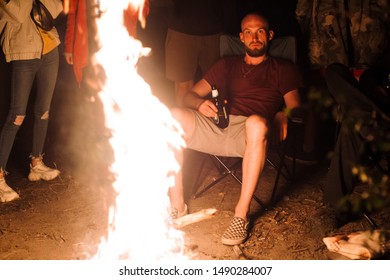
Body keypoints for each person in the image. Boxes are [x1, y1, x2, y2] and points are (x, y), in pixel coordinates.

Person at [168, 13, 303, 245]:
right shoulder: (225, 65)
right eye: (248, 32)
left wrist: (283, 114)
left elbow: (297, 107)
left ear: (269, 35)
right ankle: (177, 206)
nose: (254, 37)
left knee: (256, 123)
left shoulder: (283, 69)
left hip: (251, 133)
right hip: (217, 124)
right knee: (173, 116)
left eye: (260, 31)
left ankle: (241, 215)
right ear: (241, 37)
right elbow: (189, 95)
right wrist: (200, 104)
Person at [0, 0, 63, 203]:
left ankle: (36, 164)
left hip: (50, 49)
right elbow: (17, 12)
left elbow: (56, 8)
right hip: (23, 52)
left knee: (43, 110)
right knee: (17, 115)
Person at [323, 59, 390, 223]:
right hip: (375, 114)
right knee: (334, 70)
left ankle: (335, 206)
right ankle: (367, 121)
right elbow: (371, 74)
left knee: (352, 126)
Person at [165, 0, 226, 107]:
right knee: (183, 84)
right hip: (181, 28)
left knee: (216, 84)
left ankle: (216, 121)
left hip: (215, 28)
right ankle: (183, 121)